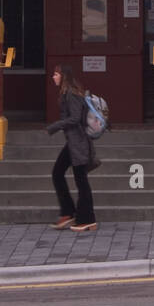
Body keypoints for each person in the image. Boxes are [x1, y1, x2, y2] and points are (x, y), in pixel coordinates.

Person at [45, 64, 98, 231]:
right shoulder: (68, 94)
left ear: (63, 77)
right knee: (59, 173)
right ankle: (68, 213)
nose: (53, 77)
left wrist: (56, 126)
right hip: (73, 143)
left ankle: (87, 219)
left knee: (80, 180)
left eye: (55, 74)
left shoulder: (72, 95)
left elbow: (75, 118)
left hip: (79, 143)